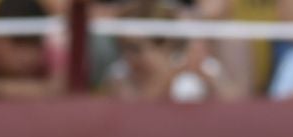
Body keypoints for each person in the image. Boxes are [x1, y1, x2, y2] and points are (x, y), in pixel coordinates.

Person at [98, 0, 245, 99]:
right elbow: (136, 110)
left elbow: (237, 105)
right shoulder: (120, 74)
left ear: (166, 45)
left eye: (137, 48)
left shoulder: (203, 69)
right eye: (126, 47)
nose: (131, 56)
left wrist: (206, 77)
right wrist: (172, 74)